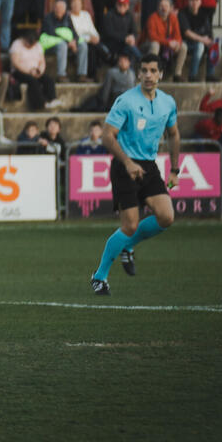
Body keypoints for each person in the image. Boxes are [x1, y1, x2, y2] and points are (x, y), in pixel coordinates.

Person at [91, 57, 181, 296]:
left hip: (148, 165)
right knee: (130, 225)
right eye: (144, 71)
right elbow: (107, 136)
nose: (148, 75)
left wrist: (175, 169)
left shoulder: (168, 103)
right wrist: (128, 162)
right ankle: (99, 277)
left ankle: (127, 246)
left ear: (161, 74)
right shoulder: (126, 101)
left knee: (166, 217)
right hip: (124, 166)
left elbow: (174, 134)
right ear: (138, 74)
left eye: (153, 70)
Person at [9, 30, 61, 111]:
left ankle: (52, 99)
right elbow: (15, 63)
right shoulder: (16, 44)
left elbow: (42, 61)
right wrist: (29, 71)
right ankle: (41, 104)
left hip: (35, 70)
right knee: (33, 81)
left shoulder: (38, 46)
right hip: (20, 71)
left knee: (49, 80)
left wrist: (40, 71)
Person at [144, 0, 187, 81]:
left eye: (166, 6)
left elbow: (178, 35)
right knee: (155, 45)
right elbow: (152, 36)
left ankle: (177, 74)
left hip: (167, 46)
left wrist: (177, 43)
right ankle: (151, 73)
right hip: (150, 45)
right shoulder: (152, 18)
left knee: (183, 46)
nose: (164, 8)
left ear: (170, 8)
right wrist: (168, 43)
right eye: (161, 6)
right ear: (157, 7)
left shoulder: (173, 18)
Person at [177, 0, 215, 82]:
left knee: (213, 45)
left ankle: (210, 75)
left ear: (200, 2)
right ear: (188, 1)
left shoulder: (204, 14)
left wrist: (210, 41)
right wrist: (203, 40)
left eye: (196, 0)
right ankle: (192, 75)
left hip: (200, 42)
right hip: (186, 43)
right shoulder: (182, 13)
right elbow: (187, 33)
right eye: (191, 0)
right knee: (200, 46)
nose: (194, 2)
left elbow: (209, 32)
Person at [41, 0, 80, 80]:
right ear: (54, 8)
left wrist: (74, 41)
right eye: (57, 8)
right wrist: (68, 42)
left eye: (61, 8)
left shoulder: (67, 18)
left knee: (83, 45)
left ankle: (82, 74)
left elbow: (74, 33)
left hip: (68, 44)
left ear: (65, 10)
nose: (59, 10)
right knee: (62, 45)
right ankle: (61, 75)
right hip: (50, 47)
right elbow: (51, 33)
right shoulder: (48, 18)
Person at [99, 0, 141, 64]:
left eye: (124, 5)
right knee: (131, 50)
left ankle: (135, 65)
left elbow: (134, 31)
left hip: (126, 44)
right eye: (120, 4)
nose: (122, 7)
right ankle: (142, 61)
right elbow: (109, 33)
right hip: (112, 44)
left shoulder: (129, 16)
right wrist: (125, 38)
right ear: (116, 5)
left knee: (131, 50)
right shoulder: (109, 15)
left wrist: (132, 37)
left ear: (128, 6)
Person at [67, 0, 101, 78]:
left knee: (96, 47)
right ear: (70, 4)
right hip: (79, 40)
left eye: (78, 3)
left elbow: (92, 29)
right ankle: (83, 75)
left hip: (90, 39)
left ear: (82, 5)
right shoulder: (68, 16)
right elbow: (75, 34)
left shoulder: (86, 14)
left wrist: (96, 36)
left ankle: (94, 74)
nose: (76, 5)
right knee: (85, 46)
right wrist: (88, 39)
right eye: (74, 3)